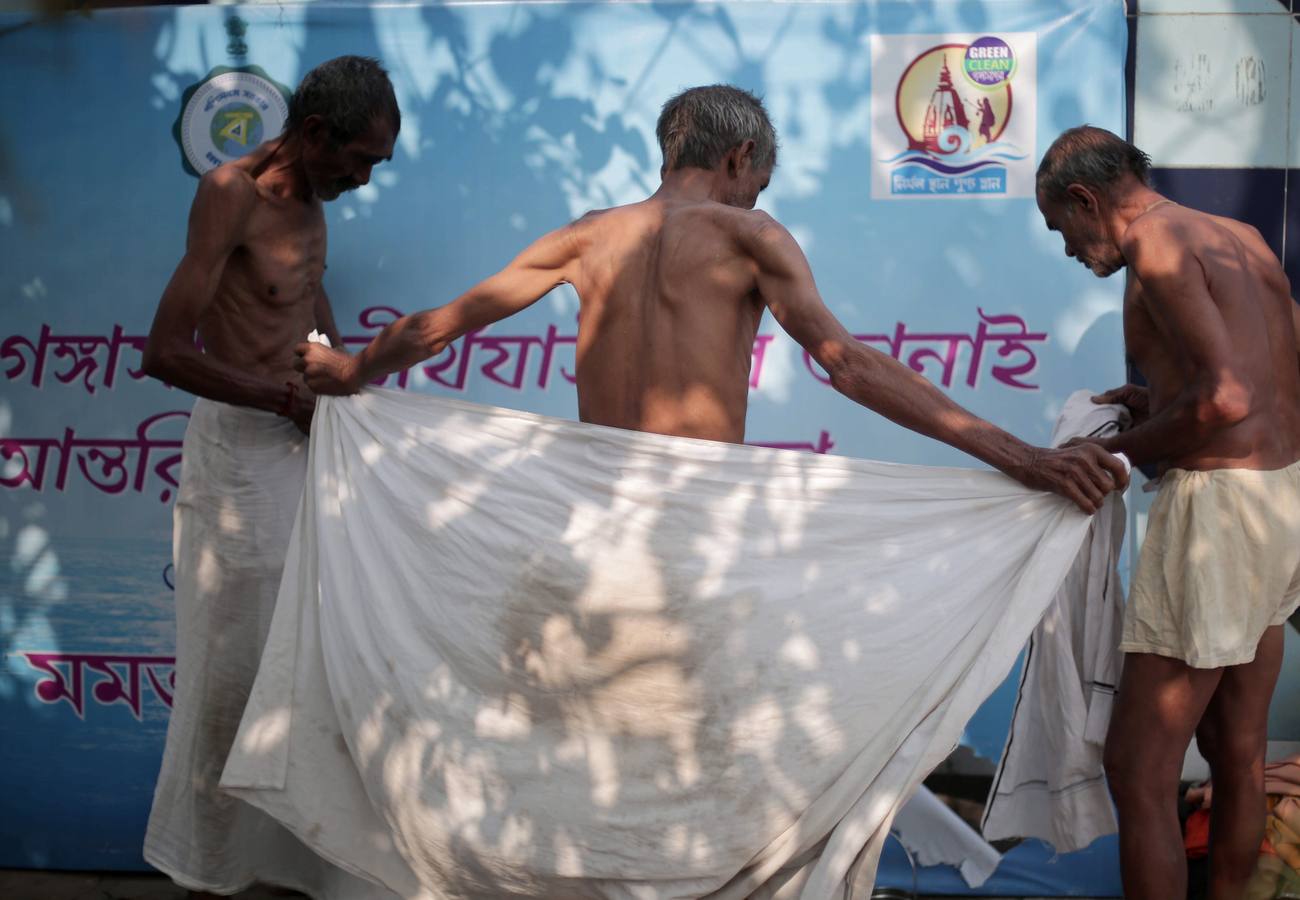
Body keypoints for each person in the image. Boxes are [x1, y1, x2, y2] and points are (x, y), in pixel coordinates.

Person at [298, 84, 1124, 515]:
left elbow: (433, 327)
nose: (756, 200)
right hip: (696, 513)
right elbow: (847, 364)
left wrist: (350, 370)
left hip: (591, 507)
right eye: (757, 184)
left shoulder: (585, 237)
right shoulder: (749, 237)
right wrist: (1025, 459)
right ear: (738, 158)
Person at [141, 56, 400, 899]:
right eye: (358, 159)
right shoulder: (231, 194)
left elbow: (302, 302)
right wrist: (282, 397)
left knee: (311, 667)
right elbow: (166, 351)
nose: (361, 179)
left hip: (303, 450)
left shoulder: (314, 202)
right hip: (240, 467)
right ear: (315, 133)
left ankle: (298, 871)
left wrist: (337, 372)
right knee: (234, 675)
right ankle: (210, 873)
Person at [1036, 124, 1300, 900]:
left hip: (1217, 517)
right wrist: (1161, 406)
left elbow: (1224, 399)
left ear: (1087, 198)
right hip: (1280, 498)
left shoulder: (1153, 247)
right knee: (1238, 748)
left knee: (1138, 766)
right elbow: (1265, 384)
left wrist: (1117, 452)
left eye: (1063, 229)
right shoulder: (1240, 237)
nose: (1068, 251)